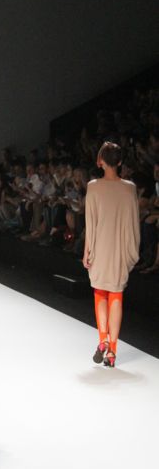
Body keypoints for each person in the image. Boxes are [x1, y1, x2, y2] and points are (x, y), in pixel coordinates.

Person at [83, 142, 140, 368]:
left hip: (100, 246)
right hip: (119, 247)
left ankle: (103, 340)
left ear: (101, 161)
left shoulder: (93, 187)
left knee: (100, 293)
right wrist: (131, 250)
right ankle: (112, 351)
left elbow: (90, 222)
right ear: (120, 161)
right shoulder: (130, 188)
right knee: (116, 294)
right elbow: (133, 223)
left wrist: (87, 251)